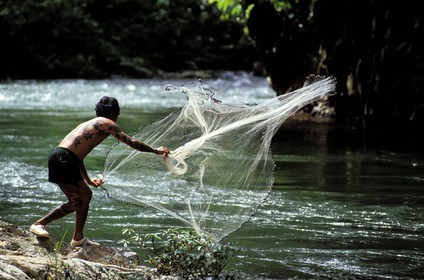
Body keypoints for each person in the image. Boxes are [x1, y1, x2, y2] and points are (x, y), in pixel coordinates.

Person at [29, 96, 170, 247]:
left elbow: (78, 158)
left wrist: (89, 181)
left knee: (83, 197)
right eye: (118, 114)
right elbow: (132, 142)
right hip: (64, 159)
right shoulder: (107, 123)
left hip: (62, 157)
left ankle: (77, 238)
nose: (117, 118)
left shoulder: (90, 124)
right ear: (113, 113)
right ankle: (40, 224)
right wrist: (156, 151)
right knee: (77, 201)